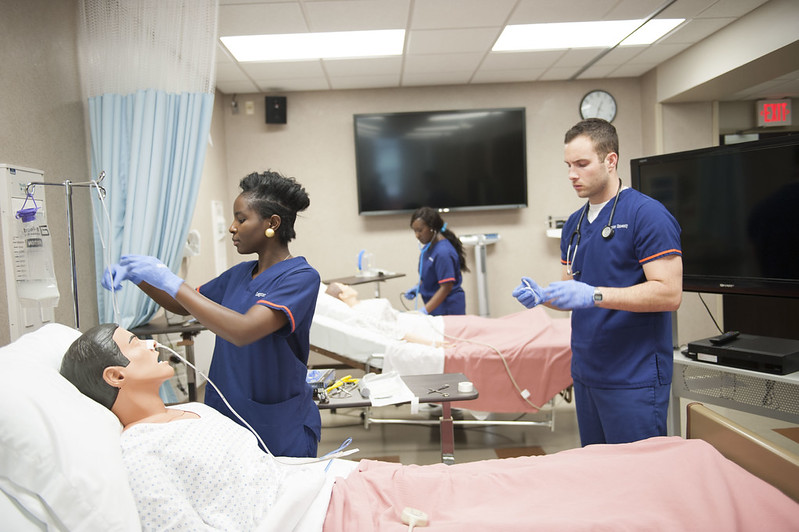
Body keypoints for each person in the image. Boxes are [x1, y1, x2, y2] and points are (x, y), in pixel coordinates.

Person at [102, 170, 321, 457]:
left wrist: (171, 280)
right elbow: (184, 304)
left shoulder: (301, 277)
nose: (232, 228)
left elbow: (244, 330)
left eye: (241, 219)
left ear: (273, 223)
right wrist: (140, 277)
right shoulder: (240, 274)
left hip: (277, 424)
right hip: (226, 413)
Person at [512, 118, 683, 446]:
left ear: (611, 160)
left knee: (636, 479)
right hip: (588, 374)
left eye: (581, 164)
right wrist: (544, 296)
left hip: (633, 377)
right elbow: (572, 291)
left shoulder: (647, 215)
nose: (572, 175)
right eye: (568, 165)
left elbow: (669, 293)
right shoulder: (574, 225)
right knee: (599, 476)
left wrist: (595, 295)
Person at [404, 206, 468, 315]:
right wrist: (418, 287)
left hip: (448, 310)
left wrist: (424, 311)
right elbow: (428, 276)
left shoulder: (443, 252)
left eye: (420, 230)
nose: (417, 235)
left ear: (432, 228)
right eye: (414, 231)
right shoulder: (428, 248)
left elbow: (446, 287)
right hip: (436, 309)